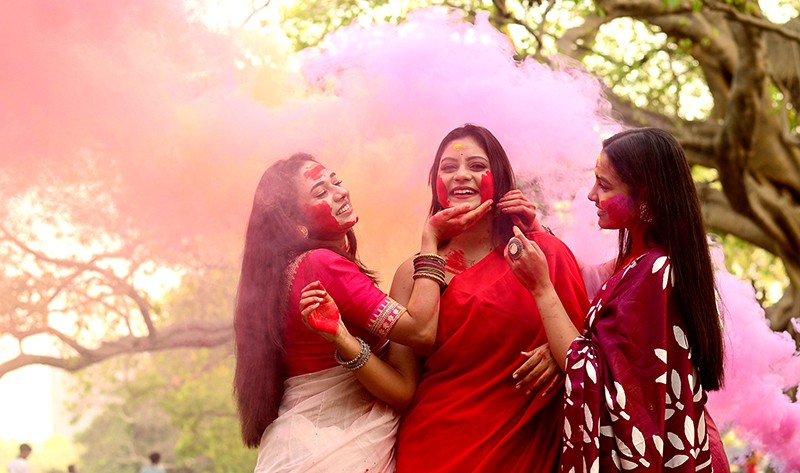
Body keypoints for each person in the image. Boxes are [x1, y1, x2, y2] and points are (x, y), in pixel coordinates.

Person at [233, 152, 490, 472]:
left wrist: (345, 340)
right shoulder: (321, 265)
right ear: (296, 223)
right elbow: (421, 330)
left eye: (335, 181)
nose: (339, 192)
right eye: (320, 192)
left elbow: (401, 389)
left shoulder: (293, 270)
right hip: (328, 452)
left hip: (303, 449)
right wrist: (431, 240)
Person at [505, 127, 730, 472]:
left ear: (646, 199)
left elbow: (588, 368)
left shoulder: (657, 271)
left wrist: (541, 289)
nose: (592, 195)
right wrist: (538, 231)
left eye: (605, 186)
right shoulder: (641, 262)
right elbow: (591, 281)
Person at [392, 124, 590, 472]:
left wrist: (559, 355)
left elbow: (590, 351)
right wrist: (345, 342)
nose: (461, 176)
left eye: (477, 166)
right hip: (431, 446)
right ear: (435, 184)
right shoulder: (411, 273)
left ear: (499, 177)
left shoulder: (544, 254)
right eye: (448, 168)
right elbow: (401, 385)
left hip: (520, 446)